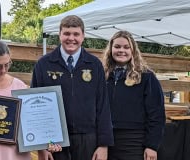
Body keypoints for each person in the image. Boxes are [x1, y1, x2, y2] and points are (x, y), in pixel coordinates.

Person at [31, 15, 114, 160]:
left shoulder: (95, 65)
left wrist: (103, 145)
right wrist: (42, 145)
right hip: (54, 140)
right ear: (59, 35)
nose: (71, 38)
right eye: (67, 33)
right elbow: (34, 107)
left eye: (76, 34)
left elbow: (103, 106)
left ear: (83, 36)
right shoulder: (43, 64)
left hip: (88, 138)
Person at [103, 30, 166, 160]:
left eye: (126, 47)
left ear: (133, 51)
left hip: (134, 142)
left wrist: (152, 146)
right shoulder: (103, 76)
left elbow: (157, 114)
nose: (121, 50)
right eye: (117, 47)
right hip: (105, 141)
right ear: (110, 49)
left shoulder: (147, 77)